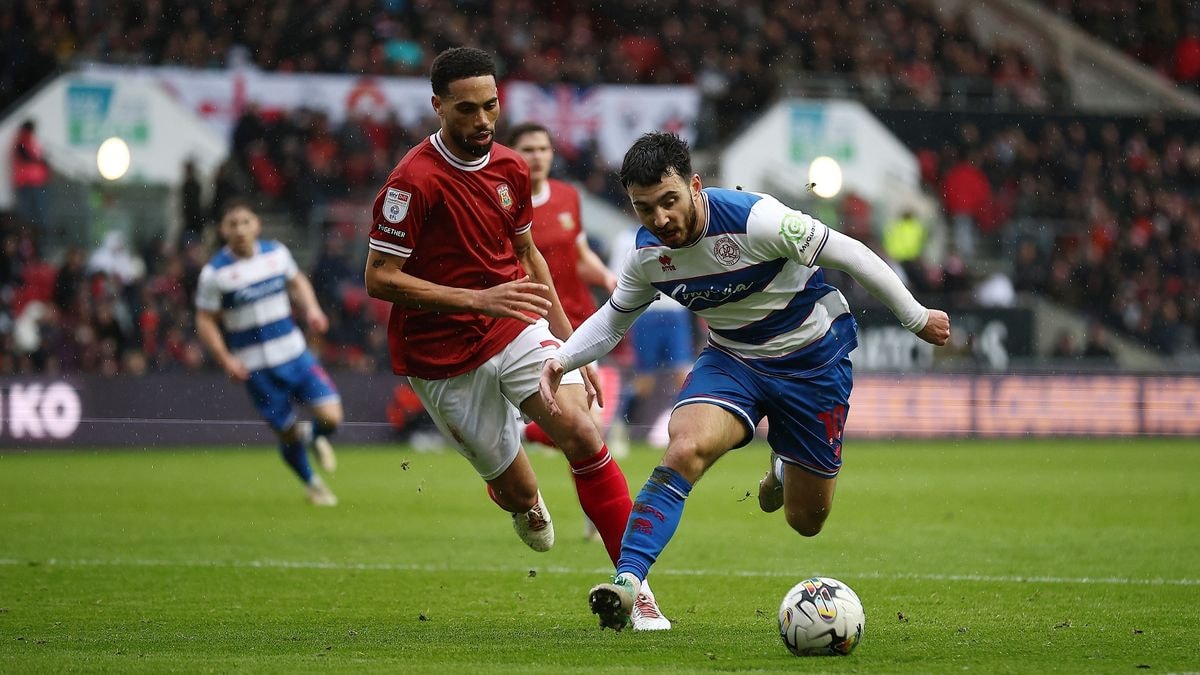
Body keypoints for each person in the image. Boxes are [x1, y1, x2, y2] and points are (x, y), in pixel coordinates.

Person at [538, 132, 951, 631]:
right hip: (734, 359)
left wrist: (915, 316)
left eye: (670, 201)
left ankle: (782, 467)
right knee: (684, 449)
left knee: (806, 520)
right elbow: (613, 319)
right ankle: (629, 582)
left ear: (695, 185)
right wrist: (561, 359)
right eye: (645, 209)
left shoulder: (759, 220)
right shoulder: (648, 257)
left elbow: (852, 254)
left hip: (813, 361)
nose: (661, 219)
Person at [362, 47, 669, 630]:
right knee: (522, 498)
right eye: (467, 109)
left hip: (514, 324)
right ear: (437, 107)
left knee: (581, 428)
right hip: (442, 356)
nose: (483, 120)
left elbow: (528, 257)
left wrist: (574, 348)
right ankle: (516, 494)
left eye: (492, 106)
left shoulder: (509, 169)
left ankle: (637, 590)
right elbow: (379, 276)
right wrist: (477, 298)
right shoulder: (411, 183)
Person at [195, 201, 342, 506]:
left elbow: (297, 281)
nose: (239, 230)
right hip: (255, 367)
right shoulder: (215, 274)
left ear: (257, 226)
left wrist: (312, 309)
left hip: (294, 354)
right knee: (286, 433)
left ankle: (313, 436)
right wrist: (225, 359)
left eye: (245, 222)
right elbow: (205, 319)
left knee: (332, 417)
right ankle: (313, 484)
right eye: (232, 224)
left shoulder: (276, 254)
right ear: (223, 231)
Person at [10, 119, 50, 232]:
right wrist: (40, 161)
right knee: (30, 212)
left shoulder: (30, 141)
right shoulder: (23, 140)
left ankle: (35, 232)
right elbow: (25, 155)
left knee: (36, 211)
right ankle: (31, 233)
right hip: (27, 182)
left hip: (35, 182)